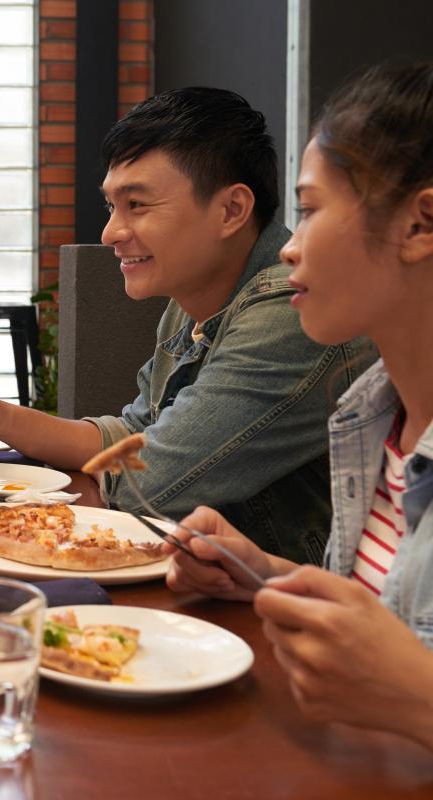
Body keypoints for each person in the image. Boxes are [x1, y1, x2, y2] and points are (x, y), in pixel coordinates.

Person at [0, 88, 373, 564]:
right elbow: (134, 436)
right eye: (111, 207)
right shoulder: (195, 295)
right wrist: (0, 418)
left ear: (231, 210)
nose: (111, 232)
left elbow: (151, 480)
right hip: (223, 583)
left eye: (136, 205)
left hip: (278, 612)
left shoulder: (289, 309)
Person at [166, 62, 433, 748]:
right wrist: (267, 576)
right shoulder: (372, 416)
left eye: (310, 210)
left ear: (420, 223)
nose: (287, 247)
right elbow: (389, 619)